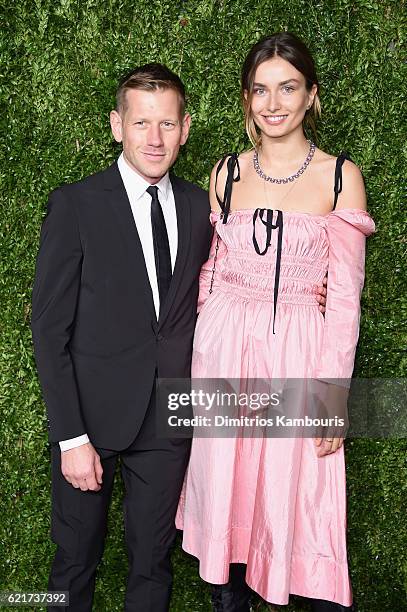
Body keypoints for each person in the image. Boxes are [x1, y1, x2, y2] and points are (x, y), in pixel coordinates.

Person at [31, 62, 327, 611]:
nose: (154, 138)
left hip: (169, 423)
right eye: (141, 123)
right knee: (73, 562)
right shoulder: (76, 204)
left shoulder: (200, 206)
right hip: (89, 424)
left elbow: (238, 281)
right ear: (117, 125)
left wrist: (315, 291)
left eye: (167, 124)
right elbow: (48, 330)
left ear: (185, 128)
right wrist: (71, 438)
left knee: (152, 563)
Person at [176, 32, 375, 611]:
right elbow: (208, 272)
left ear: (311, 95)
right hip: (224, 354)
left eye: (287, 87)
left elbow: (344, 300)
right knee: (226, 489)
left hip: (301, 355)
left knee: (301, 495)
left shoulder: (341, 177)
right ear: (246, 99)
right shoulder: (225, 175)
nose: (273, 102)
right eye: (260, 90)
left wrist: (333, 393)